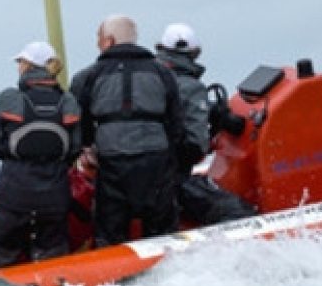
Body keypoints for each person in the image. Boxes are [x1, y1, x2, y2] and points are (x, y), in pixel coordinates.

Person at [68, 15, 185, 247]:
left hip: (112, 164)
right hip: (156, 163)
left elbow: (79, 123)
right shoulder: (163, 74)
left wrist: (87, 149)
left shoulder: (88, 77)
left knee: (110, 236)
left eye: (99, 38)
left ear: (109, 41)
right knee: (162, 235)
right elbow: (176, 124)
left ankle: (114, 278)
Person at [0, 41, 83, 270]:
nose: (18, 67)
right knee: (53, 263)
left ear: (28, 65)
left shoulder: (9, 98)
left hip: (15, 191)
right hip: (54, 193)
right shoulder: (68, 101)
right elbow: (75, 147)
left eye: (20, 62)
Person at [155, 22, 258, 226]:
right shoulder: (191, 89)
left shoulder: (147, 81)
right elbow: (195, 146)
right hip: (170, 180)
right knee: (238, 214)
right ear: (194, 54)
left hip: (134, 177)